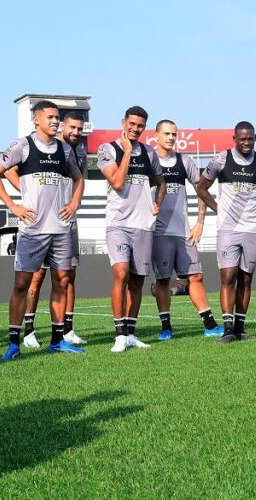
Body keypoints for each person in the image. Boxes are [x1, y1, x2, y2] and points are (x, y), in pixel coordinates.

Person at [0, 100, 84, 360]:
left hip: (61, 229)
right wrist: (12, 206)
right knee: (22, 284)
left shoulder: (64, 149)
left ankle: (57, 340)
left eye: (57, 118)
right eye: (50, 117)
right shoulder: (23, 145)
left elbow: (78, 178)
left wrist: (74, 202)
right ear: (36, 119)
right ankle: (13, 344)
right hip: (32, 230)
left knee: (61, 283)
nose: (55, 122)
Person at [15, 111, 88, 348]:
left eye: (80, 128)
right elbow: (4, 170)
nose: (75, 132)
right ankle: (28, 331)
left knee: (67, 278)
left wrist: (74, 204)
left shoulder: (76, 152)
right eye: (72, 127)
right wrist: (26, 197)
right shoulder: (33, 145)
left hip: (66, 222)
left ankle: (66, 330)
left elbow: (79, 181)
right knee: (35, 278)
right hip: (39, 224)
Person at [196, 121, 256, 343]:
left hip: (252, 228)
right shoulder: (221, 159)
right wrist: (218, 209)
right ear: (234, 139)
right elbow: (201, 187)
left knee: (246, 279)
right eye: (242, 139)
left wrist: (252, 209)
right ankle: (228, 329)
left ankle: (240, 328)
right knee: (228, 276)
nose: (247, 142)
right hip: (227, 228)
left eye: (250, 139)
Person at [97, 106, 164, 353]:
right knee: (121, 274)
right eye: (132, 124)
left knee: (136, 283)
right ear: (123, 122)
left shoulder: (149, 152)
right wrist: (126, 152)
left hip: (143, 226)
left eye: (140, 125)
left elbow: (160, 182)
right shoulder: (108, 149)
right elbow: (116, 181)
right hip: (119, 225)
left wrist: (158, 202)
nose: (135, 129)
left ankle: (131, 333)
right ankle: (119, 334)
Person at [152, 119, 223, 339]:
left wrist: (200, 222)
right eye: (167, 134)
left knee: (196, 276)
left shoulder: (184, 160)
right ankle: (166, 327)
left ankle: (209, 324)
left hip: (183, 233)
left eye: (174, 134)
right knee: (163, 280)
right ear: (157, 135)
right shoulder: (148, 160)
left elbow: (201, 189)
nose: (171, 137)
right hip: (158, 233)